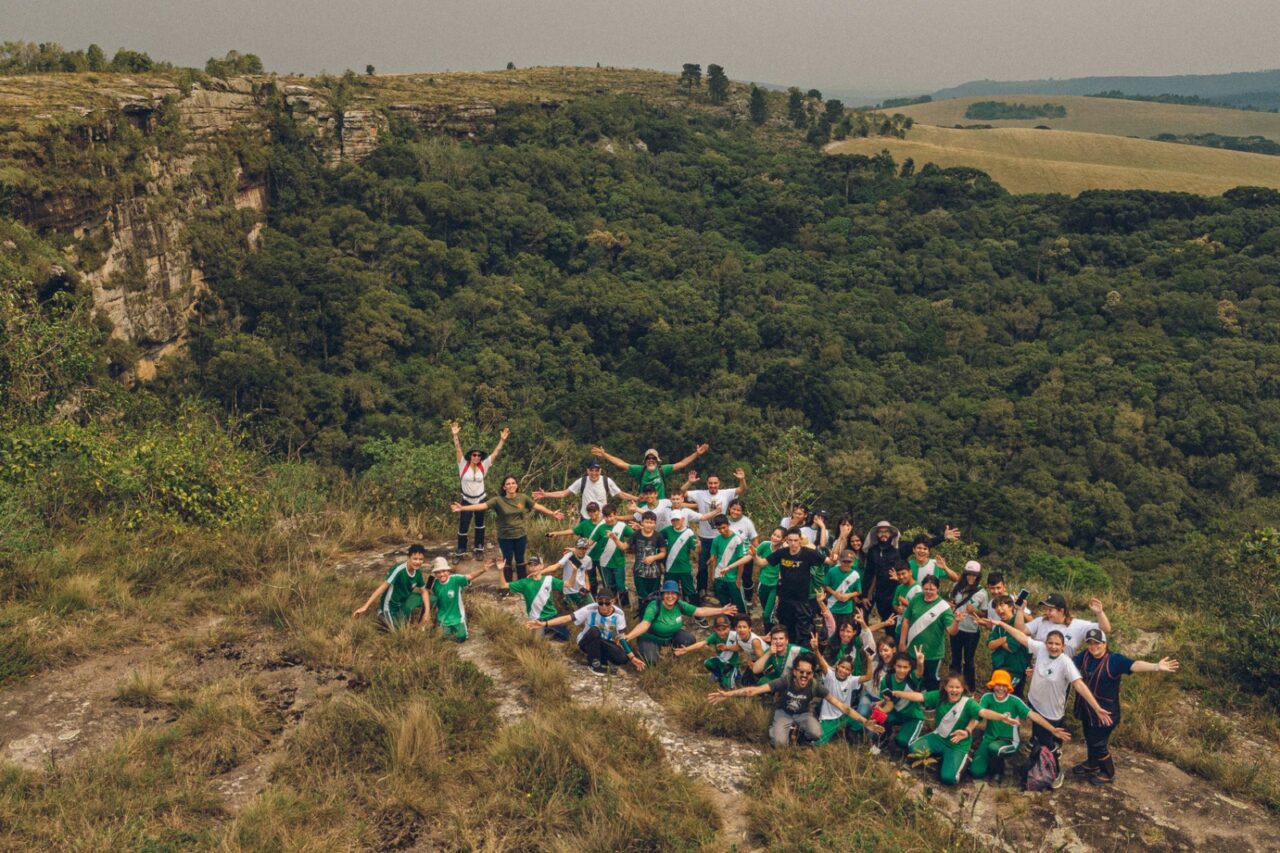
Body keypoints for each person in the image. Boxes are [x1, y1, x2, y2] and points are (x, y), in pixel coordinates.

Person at [977, 618, 1113, 787]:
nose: (1053, 647)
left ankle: (1055, 772)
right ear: (1046, 643)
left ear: (1063, 647)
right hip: (1035, 704)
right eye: (1050, 643)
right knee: (1038, 740)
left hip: (1051, 712)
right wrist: (1002, 624)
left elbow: (1079, 685)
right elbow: (1020, 636)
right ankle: (1037, 764)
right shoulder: (1040, 649)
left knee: (1050, 745)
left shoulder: (1066, 663)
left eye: (1057, 644)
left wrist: (1097, 708)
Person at [1070, 628, 1179, 785]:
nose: (1094, 647)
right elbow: (1068, 664)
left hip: (1105, 712)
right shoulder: (1085, 656)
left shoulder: (1114, 660)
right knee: (1089, 736)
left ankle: (1108, 773)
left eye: (1097, 643)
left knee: (1098, 743)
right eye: (1090, 643)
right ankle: (1092, 764)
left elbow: (1135, 665)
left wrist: (1156, 666)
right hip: (1086, 708)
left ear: (1105, 643)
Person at [708, 652, 878, 747]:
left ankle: (798, 732)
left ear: (812, 674)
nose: (804, 675)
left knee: (816, 733)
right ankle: (778, 730)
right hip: (784, 713)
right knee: (779, 744)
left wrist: (865, 721)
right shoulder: (785, 681)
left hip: (803, 714)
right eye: (801, 671)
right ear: (795, 671)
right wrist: (727, 694)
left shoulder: (815, 685)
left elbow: (843, 707)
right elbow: (754, 690)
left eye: (808, 672)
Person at [451, 476, 563, 582]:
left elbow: (537, 507)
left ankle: (522, 583)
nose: (511, 485)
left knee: (520, 559)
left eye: (513, 483)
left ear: (516, 485)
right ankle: (507, 585)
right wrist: (463, 508)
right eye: (508, 484)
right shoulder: (498, 500)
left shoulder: (523, 498)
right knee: (507, 560)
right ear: (504, 487)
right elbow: (482, 506)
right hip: (505, 537)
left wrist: (552, 513)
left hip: (520, 535)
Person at [972, 669, 1073, 783]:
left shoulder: (1015, 701)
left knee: (994, 748)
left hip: (1009, 740)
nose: (1000, 688)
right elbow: (978, 714)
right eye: (998, 685)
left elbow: (1033, 715)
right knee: (976, 772)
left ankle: (998, 773)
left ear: (1008, 687)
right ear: (993, 685)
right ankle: (983, 760)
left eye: (1004, 685)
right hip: (989, 738)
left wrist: (1052, 729)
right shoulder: (987, 697)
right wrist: (967, 730)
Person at [890, 674, 983, 785]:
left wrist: (968, 730)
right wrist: (897, 693)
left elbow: (978, 716)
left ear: (963, 688)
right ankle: (940, 755)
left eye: (957, 687)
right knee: (914, 750)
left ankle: (964, 759)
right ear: (945, 687)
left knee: (948, 778)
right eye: (951, 686)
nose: (954, 690)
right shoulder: (940, 696)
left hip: (957, 745)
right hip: (939, 737)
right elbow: (919, 697)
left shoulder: (968, 702)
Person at [862, 521, 961, 620]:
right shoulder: (873, 551)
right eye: (880, 532)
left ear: (891, 533)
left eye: (886, 531)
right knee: (887, 620)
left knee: (902, 619)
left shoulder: (900, 547)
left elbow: (922, 545)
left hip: (899, 591)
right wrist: (865, 594)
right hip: (881, 593)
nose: (883, 534)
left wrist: (943, 537)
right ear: (876, 534)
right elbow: (869, 573)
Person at [623, 579, 735, 665]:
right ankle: (649, 648)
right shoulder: (654, 606)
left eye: (673, 593)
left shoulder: (680, 604)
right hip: (652, 637)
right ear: (663, 595)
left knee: (689, 640)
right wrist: (629, 637)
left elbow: (700, 611)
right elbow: (644, 624)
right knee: (651, 661)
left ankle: (674, 652)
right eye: (667, 593)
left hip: (671, 636)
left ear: (677, 595)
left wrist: (721, 610)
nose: (670, 596)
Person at [535, 589, 644, 675]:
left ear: (613, 601)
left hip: (604, 642)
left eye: (607, 603)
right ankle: (595, 665)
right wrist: (545, 624)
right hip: (586, 641)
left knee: (622, 659)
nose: (603, 606)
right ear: (597, 601)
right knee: (595, 630)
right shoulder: (590, 609)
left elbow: (622, 637)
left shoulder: (619, 614)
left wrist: (632, 657)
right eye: (600, 603)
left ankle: (601, 657)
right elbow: (567, 618)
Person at [684, 469, 748, 604]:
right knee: (702, 565)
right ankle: (702, 589)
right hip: (705, 537)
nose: (713, 486)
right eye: (710, 483)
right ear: (707, 483)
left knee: (722, 564)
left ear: (719, 483)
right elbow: (682, 492)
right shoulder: (700, 494)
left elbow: (742, 489)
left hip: (721, 537)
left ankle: (718, 590)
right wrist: (689, 482)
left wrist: (741, 478)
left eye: (715, 483)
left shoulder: (726, 493)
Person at [811, 631, 884, 744]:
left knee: (863, 725)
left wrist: (869, 661)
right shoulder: (829, 675)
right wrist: (816, 649)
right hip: (829, 718)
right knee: (819, 743)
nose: (844, 671)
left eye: (847, 669)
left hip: (846, 714)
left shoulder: (852, 680)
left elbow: (869, 676)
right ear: (837, 667)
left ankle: (851, 733)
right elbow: (821, 663)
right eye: (842, 667)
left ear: (851, 672)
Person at [449, 423, 509, 560]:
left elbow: (496, 453)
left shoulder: (483, 466)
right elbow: (458, 449)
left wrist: (502, 440)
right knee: (463, 525)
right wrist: (455, 435)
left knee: (480, 525)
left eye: (479, 455)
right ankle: (461, 549)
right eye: (474, 455)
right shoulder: (463, 465)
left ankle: (479, 548)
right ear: (470, 456)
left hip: (481, 499)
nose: (477, 457)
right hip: (466, 499)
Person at [763, 527, 827, 642]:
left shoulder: (809, 553)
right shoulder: (782, 553)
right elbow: (762, 562)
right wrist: (753, 556)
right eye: (790, 540)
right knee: (786, 629)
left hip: (802, 600)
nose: (793, 543)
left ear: (800, 540)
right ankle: (788, 652)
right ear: (787, 540)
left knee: (804, 631)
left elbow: (829, 561)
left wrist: (841, 539)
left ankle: (804, 654)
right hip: (785, 599)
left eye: (796, 540)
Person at [898, 574, 959, 691]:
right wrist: (902, 642)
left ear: (938, 589)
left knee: (931, 679)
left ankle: (931, 704)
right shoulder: (916, 599)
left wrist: (956, 621)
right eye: (926, 589)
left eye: (932, 589)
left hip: (933, 653)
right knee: (914, 677)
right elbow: (906, 621)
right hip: (913, 649)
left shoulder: (944, 607)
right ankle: (914, 701)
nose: (929, 592)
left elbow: (951, 631)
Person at [591, 444, 707, 499]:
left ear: (657, 460)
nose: (651, 461)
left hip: (660, 506)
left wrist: (696, 454)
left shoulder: (663, 469)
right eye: (648, 458)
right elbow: (621, 463)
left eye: (653, 458)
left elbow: (682, 463)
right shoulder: (639, 470)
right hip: (644, 506)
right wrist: (605, 455)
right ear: (645, 460)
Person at [353, 544, 428, 629]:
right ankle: (381, 615)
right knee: (398, 631)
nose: (418, 562)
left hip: (403, 602)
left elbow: (424, 591)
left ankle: (414, 619)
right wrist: (365, 606)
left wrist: (427, 613)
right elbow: (383, 587)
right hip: (390, 605)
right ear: (408, 558)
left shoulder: (418, 572)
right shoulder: (399, 570)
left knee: (432, 598)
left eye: (421, 559)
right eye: (415, 559)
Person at [534, 460, 637, 520]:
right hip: (586, 518)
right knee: (584, 546)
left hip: (602, 519)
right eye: (591, 470)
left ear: (600, 471)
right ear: (587, 471)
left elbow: (621, 494)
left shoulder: (606, 481)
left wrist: (637, 498)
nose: (594, 473)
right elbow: (564, 493)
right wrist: (546, 494)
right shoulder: (582, 481)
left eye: (596, 470)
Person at [426, 556, 491, 642]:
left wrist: (483, 569)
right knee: (440, 637)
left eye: (444, 571)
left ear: (448, 571)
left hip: (458, 617)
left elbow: (470, 576)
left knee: (461, 637)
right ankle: (441, 630)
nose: (441, 574)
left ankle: (456, 629)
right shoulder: (434, 583)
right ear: (435, 573)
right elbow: (425, 592)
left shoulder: (456, 579)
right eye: (438, 572)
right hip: (442, 618)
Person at [1025, 593, 1112, 655]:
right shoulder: (1041, 621)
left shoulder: (1078, 625)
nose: (1046, 612)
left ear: (1061, 611)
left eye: (1050, 610)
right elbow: (1022, 630)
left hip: (1062, 673)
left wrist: (1099, 613)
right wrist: (1020, 610)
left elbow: (1106, 629)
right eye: (1045, 609)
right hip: (1037, 670)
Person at [948, 560, 989, 693]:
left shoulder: (982, 592)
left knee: (969, 661)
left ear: (978, 576)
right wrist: (952, 606)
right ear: (965, 574)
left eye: (975, 575)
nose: (971, 577)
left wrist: (975, 611)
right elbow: (952, 603)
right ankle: (953, 686)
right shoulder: (956, 586)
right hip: (956, 628)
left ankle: (969, 688)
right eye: (969, 574)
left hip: (972, 631)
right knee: (955, 659)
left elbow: (984, 613)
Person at [876, 649, 928, 751]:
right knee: (882, 718)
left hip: (913, 716)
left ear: (909, 668)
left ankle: (920, 741)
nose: (902, 670)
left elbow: (919, 672)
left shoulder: (912, 677)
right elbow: (889, 704)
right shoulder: (887, 680)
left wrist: (920, 663)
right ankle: (883, 741)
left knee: (902, 741)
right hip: (897, 713)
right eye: (899, 666)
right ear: (894, 666)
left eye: (905, 667)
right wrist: (881, 711)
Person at [506, 560, 569, 641]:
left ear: (541, 566)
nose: (533, 568)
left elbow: (569, 584)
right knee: (536, 642)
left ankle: (548, 631)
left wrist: (575, 571)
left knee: (566, 637)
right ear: (528, 568)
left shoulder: (549, 579)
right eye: (531, 565)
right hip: (536, 620)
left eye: (535, 565)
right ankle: (545, 631)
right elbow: (504, 585)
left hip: (552, 616)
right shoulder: (524, 583)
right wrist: (501, 570)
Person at [676, 614, 740, 688]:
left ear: (729, 627)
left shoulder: (735, 635)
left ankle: (734, 674)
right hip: (721, 662)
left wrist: (727, 648)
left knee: (727, 686)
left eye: (724, 629)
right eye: (719, 630)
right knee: (708, 663)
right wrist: (687, 649)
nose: (722, 632)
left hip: (732, 664)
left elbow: (741, 648)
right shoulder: (715, 635)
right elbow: (702, 643)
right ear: (715, 629)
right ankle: (720, 674)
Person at [987, 594, 1031, 699]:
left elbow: (1012, 648)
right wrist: (1004, 639)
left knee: (1011, 698)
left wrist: (998, 642)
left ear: (1011, 607)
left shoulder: (1017, 623)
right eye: (996, 607)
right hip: (999, 668)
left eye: (1002, 605)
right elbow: (990, 645)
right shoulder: (999, 626)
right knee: (995, 697)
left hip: (1015, 669)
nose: (999, 609)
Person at [709, 514, 752, 615]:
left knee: (739, 603)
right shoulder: (716, 540)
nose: (722, 530)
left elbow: (741, 561)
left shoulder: (737, 539)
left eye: (724, 527)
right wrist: (712, 575)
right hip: (719, 576)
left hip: (733, 578)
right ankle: (730, 622)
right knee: (725, 604)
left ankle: (743, 620)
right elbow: (714, 559)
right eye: (719, 529)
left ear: (728, 525)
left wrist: (738, 578)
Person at [594, 504, 634, 606]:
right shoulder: (600, 528)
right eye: (606, 517)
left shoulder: (622, 526)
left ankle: (625, 606)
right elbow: (590, 541)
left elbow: (634, 536)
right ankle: (612, 606)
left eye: (611, 516)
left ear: (616, 514)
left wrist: (627, 545)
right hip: (604, 562)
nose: (609, 519)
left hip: (619, 562)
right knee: (609, 586)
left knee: (621, 586)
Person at [629, 510, 667, 610]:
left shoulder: (658, 536)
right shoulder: (636, 535)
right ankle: (643, 615)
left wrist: (653, 557)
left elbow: (663, 553)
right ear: (642, 522)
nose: (649, 525)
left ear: (655, 524)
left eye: (651, 523)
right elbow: (624, 546)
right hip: (639, 571)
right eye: (646, 522)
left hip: (655, 572)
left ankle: (654, 615)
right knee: (642, 596)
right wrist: (615, 538)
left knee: (654, 596)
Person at [659, 508, 699, 602]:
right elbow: (656, 537)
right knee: (669, 590)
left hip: (684, 568)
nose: (675, 522)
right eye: (673, 520)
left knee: (690, 590)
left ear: (682, 519)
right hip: (670, 567)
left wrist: (699, 547)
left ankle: (697, 612)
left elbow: (696, 549)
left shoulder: (689, 533)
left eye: (677, 519)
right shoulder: (667, 530)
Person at [753, 527, 785, 628]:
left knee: (767, 615)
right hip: (763, 583)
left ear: (783, 539)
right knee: (767, 611)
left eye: (778, 536)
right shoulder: (765, 545)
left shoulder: (784, 551)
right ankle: (772, 627)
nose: (774, 538)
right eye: (774, 534)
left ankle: (770, 634)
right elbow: (752, 557)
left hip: (775, 586)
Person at [823, 548, 863, 630]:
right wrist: (834, 593)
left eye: (849, 562)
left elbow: (858, 591)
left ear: (853, 562)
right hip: (832, 606)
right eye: (844, 561)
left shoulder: (855, 575)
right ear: (840, 560)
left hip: (847, 609)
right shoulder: (832, 571)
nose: (846, 564)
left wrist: (848, 595)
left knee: (845, 630)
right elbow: (825, 585)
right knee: (831, 630)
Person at [554, 538, 596, 607]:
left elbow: (585, 573)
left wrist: (587, 587)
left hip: (582, 589)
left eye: (584, 549)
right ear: (575, 548)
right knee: (574, 612)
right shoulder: (569, 556)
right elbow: (555, 567)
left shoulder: (588, 559)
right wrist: (541, 572)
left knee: (593, 608)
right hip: (569, 591)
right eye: (580, 548)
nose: (582, 551)